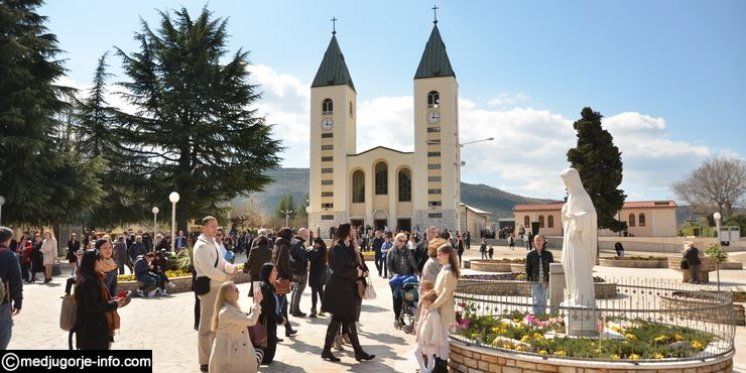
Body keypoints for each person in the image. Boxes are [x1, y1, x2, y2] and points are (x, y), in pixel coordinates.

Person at [321, 223, 375, 363]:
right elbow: (339, 270)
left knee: (340, 320)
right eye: (352, 229)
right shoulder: (337, 248)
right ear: (346, 232)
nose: (354, 231)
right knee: (346, 319)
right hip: (338, 289)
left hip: (345, 288)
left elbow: (354, 263)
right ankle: (356, 352)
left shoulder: (347, 246)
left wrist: (361, 270)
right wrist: (356, 272)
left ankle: (329, 351)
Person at [194, 216, 235, 373]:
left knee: (217, 324)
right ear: (204, 228)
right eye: (212, 226)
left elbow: (221, 262)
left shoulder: (213, 243)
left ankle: (214, 356)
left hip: (218, 287)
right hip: (209, 288)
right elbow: (209, 270)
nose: (215, 229)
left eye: (216, 226)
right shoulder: (201, 247)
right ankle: (204, 361)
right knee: (206, 326)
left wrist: (231, 268)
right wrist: (226, 277)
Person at [74, 250, 126, 350]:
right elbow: (93, 306)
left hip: (94, 329)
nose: (102, 263)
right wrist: (114, 304)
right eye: (101, 260)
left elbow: (96, 299)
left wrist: (113, 300)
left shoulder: (91, 278)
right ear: (95, 262)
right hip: (92, 331)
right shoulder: (89, 281)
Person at [208, 281, 263, 373]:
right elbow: (251, 321)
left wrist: (256, 304)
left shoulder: (230, 308)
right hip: (229, 356)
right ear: (228, 293)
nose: (239, 292)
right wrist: (256, 302)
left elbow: (247, 319)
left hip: (234, 352)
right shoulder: (227, 311)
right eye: (236, 289)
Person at [428, 243, 460, 372]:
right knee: (439, 338)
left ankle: (441, 366)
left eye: (440, 254)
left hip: (445, 310)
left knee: (443, 339)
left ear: (448, 255)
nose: (438, 257)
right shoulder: (444, 269)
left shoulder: (450, 272)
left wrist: (433, 305)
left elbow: (446, 294)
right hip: (439, 310)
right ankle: (438, 364)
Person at [271, 227, 298, 337]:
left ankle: (288, 328)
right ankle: (273, 333)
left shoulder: (280, 244)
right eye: (291, 234)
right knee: (277, 308)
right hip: (282, 279)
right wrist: (291, 279)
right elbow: (285, 265)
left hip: (279, 278)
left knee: (283, 306)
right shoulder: (284, 246)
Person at [387, 232, 418, 326]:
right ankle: (397, 318)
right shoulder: (391, 251)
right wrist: (394, 275)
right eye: (401, 241)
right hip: (396, 279)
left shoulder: (407, 251)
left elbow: (412, 262)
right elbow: (389, 266)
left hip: (406, 278)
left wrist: (416, 271)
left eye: (404, 241)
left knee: (409, 297)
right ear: (396, 240)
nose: (403, 243)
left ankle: (408, 316)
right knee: (397, 299)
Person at [0, 227, 23, 349]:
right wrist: (18, 302)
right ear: (8, 240)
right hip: (2, 301)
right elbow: (16, 282)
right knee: (4, 333)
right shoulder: (10, 256)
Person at [414, 289, 443, 373]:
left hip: (429, 340)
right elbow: (422, 324)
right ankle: (425, 370)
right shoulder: (427, 312)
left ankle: (427, 371)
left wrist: (434, 341)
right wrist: (418, 335)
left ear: (430, 302)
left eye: (424, 302)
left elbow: (436, 329)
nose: (423, 304)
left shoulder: (434, 315)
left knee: (429, 356)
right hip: (424, 339)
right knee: (417, 352)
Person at [258, 263, 281, 364]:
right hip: (266, 325)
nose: (277, 273)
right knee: (267, 359)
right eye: (274, 271)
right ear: (268, 273)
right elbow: (265, 308)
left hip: (272, 323)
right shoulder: (264, 287)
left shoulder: (271, 286)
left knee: (269, 357)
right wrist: (278, 318)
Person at [526, 234, 554, 315]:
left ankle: (543, 316)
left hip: (545, 280)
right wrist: (528, 279)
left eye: (539, 240)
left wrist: (550, 281)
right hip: (535, 280)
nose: (538, 242)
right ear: (534, 242)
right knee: (536, 299)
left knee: (544, 299)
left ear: (543, 242)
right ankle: (536, 317)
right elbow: (527, 268)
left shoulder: (548, 254)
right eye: (536, 240)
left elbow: (551, 268)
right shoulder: (530, 254)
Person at [289, 228, 310, 317]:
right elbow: (302, 255)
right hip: (299, 270)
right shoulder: (298, 243)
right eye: (305, 235)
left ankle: (292, 308)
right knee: (299, 289)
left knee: (295, 289)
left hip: (294, 269)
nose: (307, 237)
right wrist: (308, 252)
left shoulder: (293, 241)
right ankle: (295, 310)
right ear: (301, 234)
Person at [308, 237, 328, 318]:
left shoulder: (319, 250)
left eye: (314, 243)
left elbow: (310, 256)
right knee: (320, 292)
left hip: (316, 275)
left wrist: (311, 248)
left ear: (318, 243)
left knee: (314, 293)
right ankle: (323, 309)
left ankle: (314, 310)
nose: (313, 245)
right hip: (320, 275)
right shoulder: (323, 249)